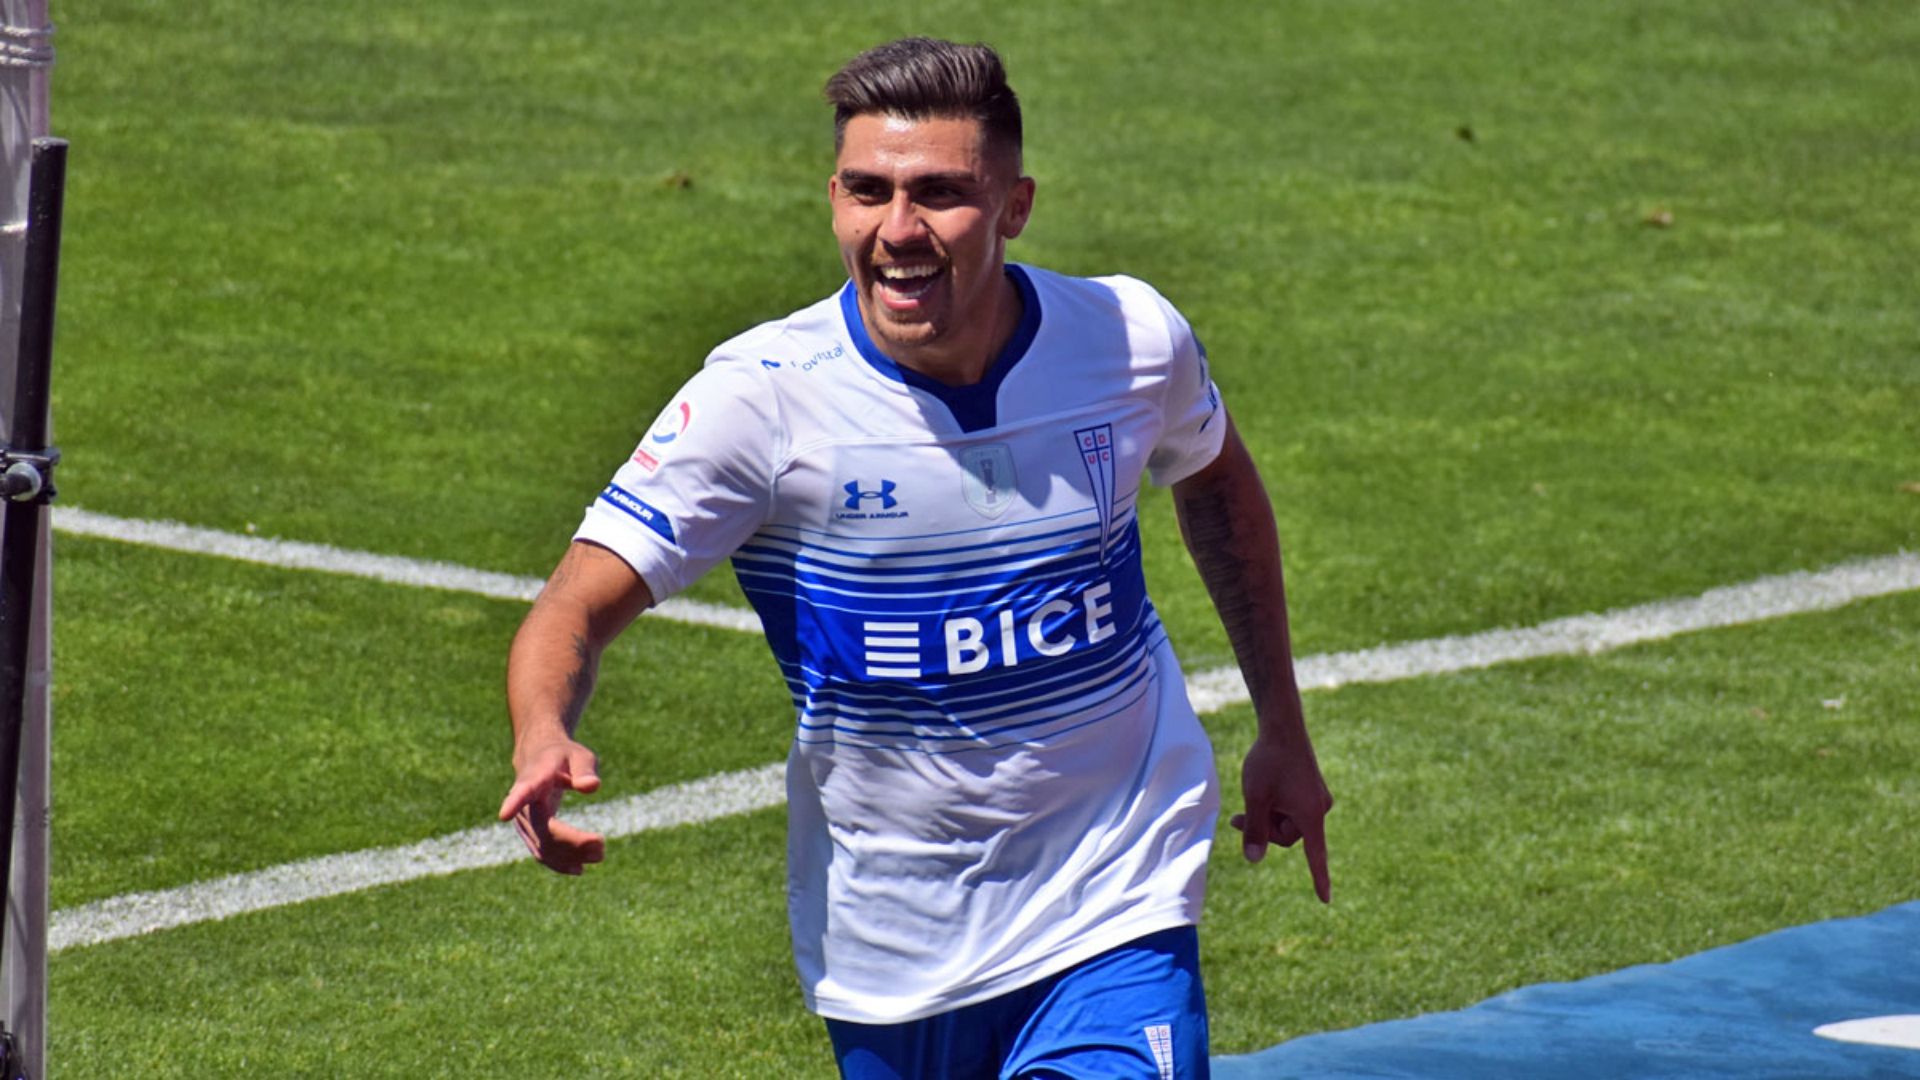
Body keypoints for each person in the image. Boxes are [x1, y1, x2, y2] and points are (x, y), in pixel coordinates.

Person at [500, 37, 1332, 1079]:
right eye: (867, 191)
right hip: (894, 944)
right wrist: (543, 732)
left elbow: (1213, 478)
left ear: (1015, 205)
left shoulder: (1129, 339)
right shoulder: (759, 401)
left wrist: (1282, 729)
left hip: (1118, 891)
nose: (898, 230)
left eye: (940, 193)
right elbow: (572, 607)